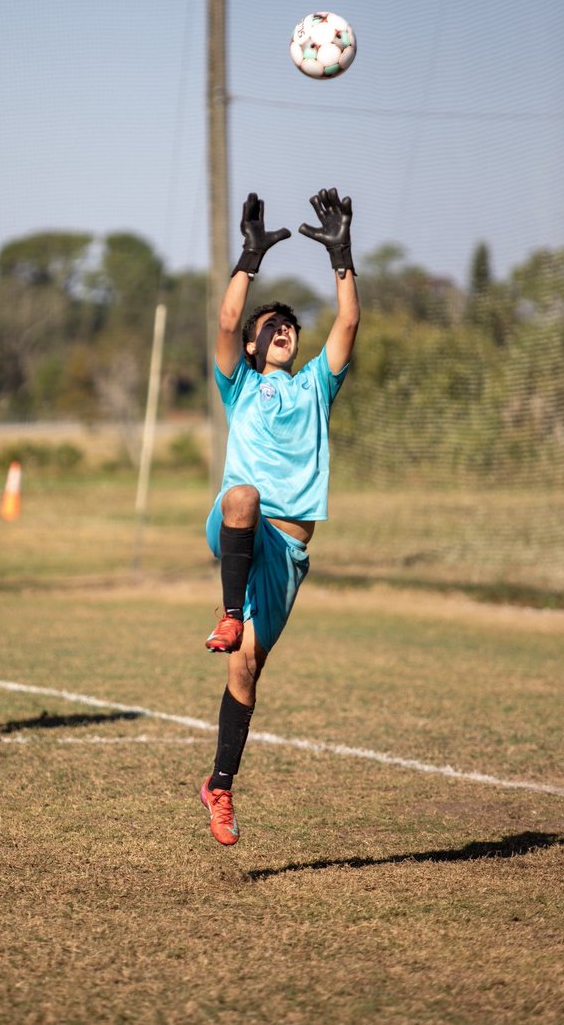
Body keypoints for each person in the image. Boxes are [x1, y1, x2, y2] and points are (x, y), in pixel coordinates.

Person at [200, 186, 360, 844]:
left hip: (287, 554)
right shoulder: (239, 384)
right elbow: (224, 323)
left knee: (245, 671)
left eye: (288, 325)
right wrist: (250, 258)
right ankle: (228, 611)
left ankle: (219, 785)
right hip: (241, 525)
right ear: (252, 344)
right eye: (269, 326)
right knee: (242, 495)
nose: (281, 330)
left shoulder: (317, 385)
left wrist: (342, 257)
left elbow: (347, 324)